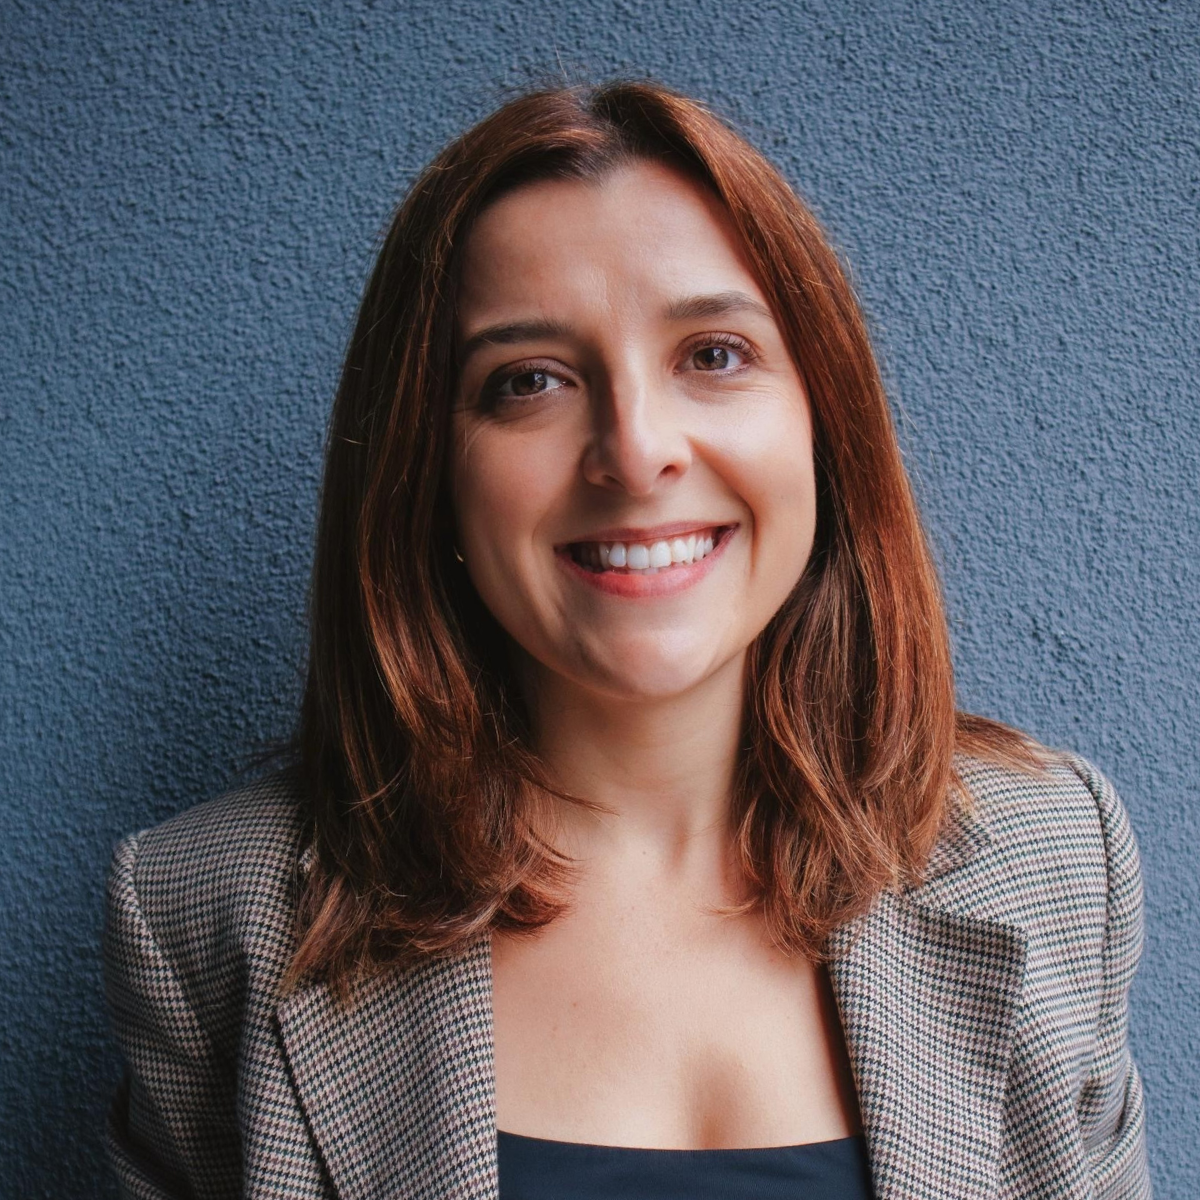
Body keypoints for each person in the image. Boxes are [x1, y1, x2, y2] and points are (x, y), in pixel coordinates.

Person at [103, 80, 1150, 1199]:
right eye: (530, 381)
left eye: (713, 355)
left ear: (824, 420)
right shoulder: (208, 917)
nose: (637, 451)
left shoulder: (1052, 863)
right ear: (427, 470)